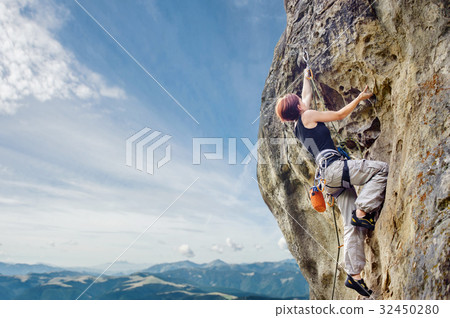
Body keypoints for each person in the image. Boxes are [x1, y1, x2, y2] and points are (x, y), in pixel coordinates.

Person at [275, 67, 389, 297]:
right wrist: (358, 98)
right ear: (298, 107)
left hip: (328, 180)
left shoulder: (298, 125)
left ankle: (354, 275)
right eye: (298, 99)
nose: (301, 98)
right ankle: (364, 209)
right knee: (381, 170)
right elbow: (338, 115)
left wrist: (307, 76)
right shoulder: (307, 115)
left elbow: (305, 95)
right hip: (335, 168)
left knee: (351, 225)